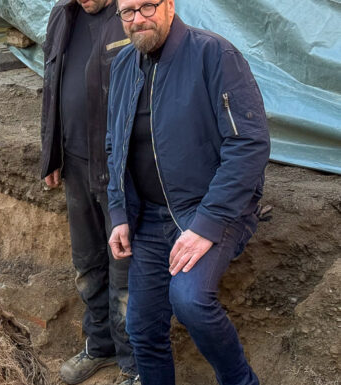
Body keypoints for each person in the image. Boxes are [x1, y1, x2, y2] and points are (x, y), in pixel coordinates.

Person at [105, 0, 270, 383]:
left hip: (209, 209)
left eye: (147, 6)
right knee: (142, 327)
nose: (137, 19)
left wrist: (206, 225)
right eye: (127, 12)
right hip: (147, 216)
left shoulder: (214, 55)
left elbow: (249, 145)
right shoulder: (123, 66)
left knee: (191, 300)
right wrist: (118, 214)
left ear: (169, 6)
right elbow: (114, 145)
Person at [41, 1, 138, 384]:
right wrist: (51, 153)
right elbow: (52, 84)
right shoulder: (63, 14)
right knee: (87, 263)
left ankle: (134, 363)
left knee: (126, 272)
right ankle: (100, 345)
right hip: (76, 162)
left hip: (120, 169)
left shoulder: (131, 15)